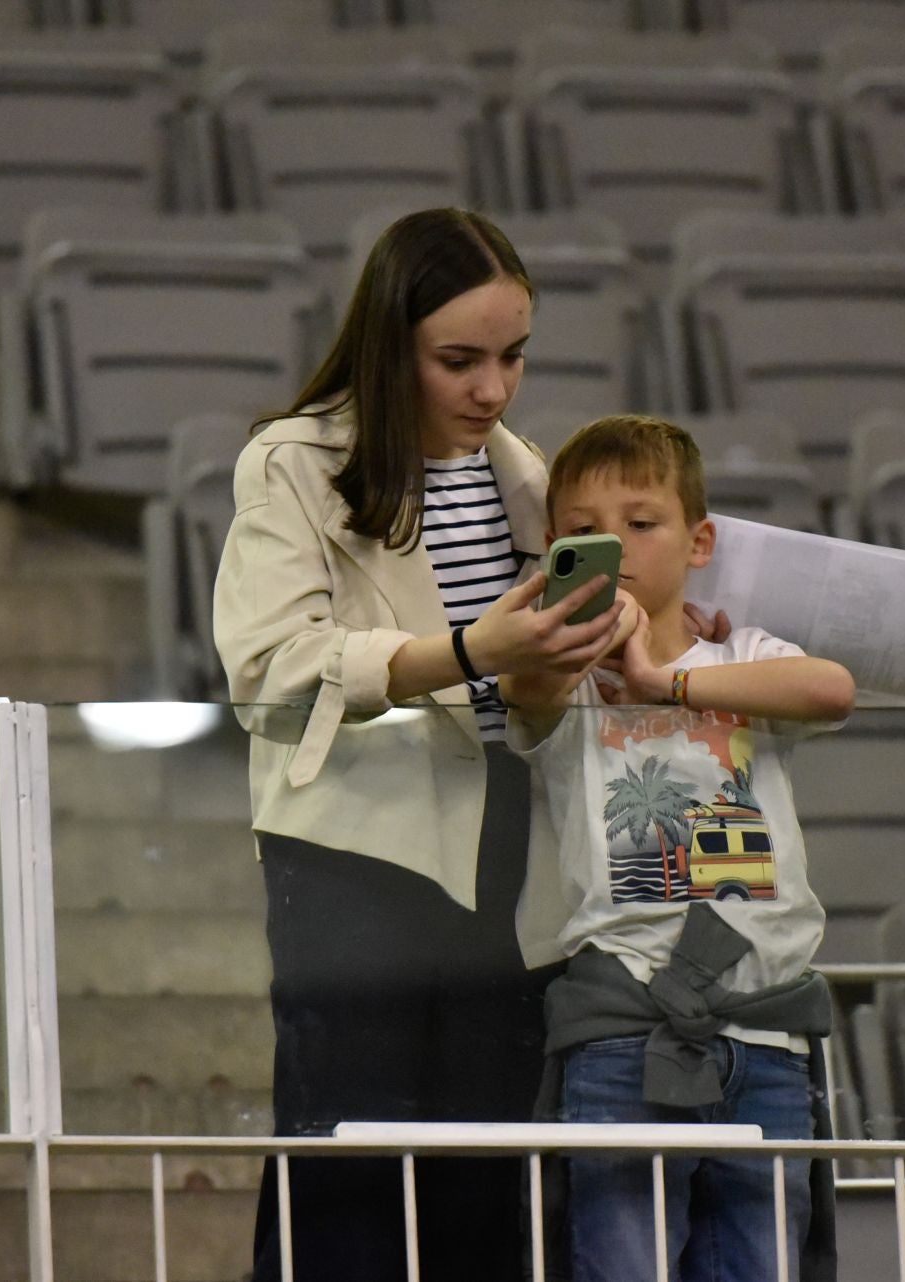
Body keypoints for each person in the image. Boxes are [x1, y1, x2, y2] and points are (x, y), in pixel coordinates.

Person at [212, 208, 645, 1282]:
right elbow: (266, 672)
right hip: (357, 852)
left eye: (512, 357)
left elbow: (531, 706)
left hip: (510, 851)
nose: (492, 388)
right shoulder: (294, 463)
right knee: (349, 1172)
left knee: (483, 1190)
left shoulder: (530, 475)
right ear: (388, 343)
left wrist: (553, 669)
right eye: (460, 360)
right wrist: (460, 650)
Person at [501, 415, 855, 1282]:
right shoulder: (568, 680)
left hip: (765, 1026)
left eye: (641, 522)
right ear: (554, 549)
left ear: (699, 540)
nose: (614, 546)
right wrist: (571, 628)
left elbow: (831, 688)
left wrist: (668, 680)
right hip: (627, 1025)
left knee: (761, 1262)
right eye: (584, 532)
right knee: (622, 1264)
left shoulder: (741, 653)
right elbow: (524, 685)